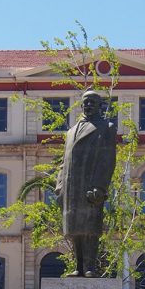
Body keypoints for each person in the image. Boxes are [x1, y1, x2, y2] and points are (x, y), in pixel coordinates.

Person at [54, 90, 117, 277]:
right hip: (71, 188)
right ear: (81, 106)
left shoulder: (107, 127)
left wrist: (100, 186)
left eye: (93, 102)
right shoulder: (71, 131)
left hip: (90, 186)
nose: (89, 105)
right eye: (86, 102)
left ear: (100, 106)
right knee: (74, 229)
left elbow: (107, 159)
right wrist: (59, 187)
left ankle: (90, 267)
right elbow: (64, 163)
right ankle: (78, 266)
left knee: (90, 228)